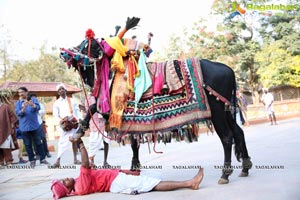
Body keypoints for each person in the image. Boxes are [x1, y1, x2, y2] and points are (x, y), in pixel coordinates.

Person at [51, 136, 204, 199]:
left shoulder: (78, 182)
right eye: (64, 182)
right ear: (67, 190)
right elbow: (84, 164)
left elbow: (89, 168)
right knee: (153, 185)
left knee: (152, 176)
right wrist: (80, 143)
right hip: (117, 182)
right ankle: (189, 183)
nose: (65, 179)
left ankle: (187, 183)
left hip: (117, 176)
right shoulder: (80, 187)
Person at [15, 87, 50, 168]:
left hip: (35, 126)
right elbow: (18, 114)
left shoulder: (34, 100)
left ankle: (42, 159)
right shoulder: (18, 103)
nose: (21, 94)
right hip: (24, 127)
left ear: (27, 92)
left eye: (22, 92)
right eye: (19, 92)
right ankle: (32, 160)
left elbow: (38, 108)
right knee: (28, 144)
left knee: (38, 143)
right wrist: (23, 108)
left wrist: (32, 105)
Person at [52, 83, 81, 167]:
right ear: (58, 92)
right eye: (59, 89)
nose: (61, 90)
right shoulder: (56, 103)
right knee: (62, 142)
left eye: (62, 89)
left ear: (65, 90)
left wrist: (78, 119)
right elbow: (55, 115)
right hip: (64, 126)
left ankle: (75, 159)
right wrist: (62, 122)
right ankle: (58, 161)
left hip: (73, 124)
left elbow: (77, 111)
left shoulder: (72, 100)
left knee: (74, 141)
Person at [85, 94, 111, 167]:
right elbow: (87, 110)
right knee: (93, 143)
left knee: (106, 141)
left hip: (103, 121)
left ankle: (105, 162)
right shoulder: (89, 97)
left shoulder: (103, 94)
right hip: (94, 122)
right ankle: (92, 162)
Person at [30, 93, 52, 158]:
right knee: (34, 139)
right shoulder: (29, 105)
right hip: (32, 124)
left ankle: (47, 152)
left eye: (35, 97)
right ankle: (37, 154)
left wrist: (36, 111)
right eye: (32, 98)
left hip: (39, 123)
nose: (34, 99)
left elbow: (43, 112)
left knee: (43, 138)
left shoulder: (40, 104)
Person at [0, 95, 18, 167]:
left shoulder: (5, 107)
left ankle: (9, 161)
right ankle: (1, 161)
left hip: (6, 129)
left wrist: (12, 126)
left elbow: (12, 117)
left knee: (6, 146)